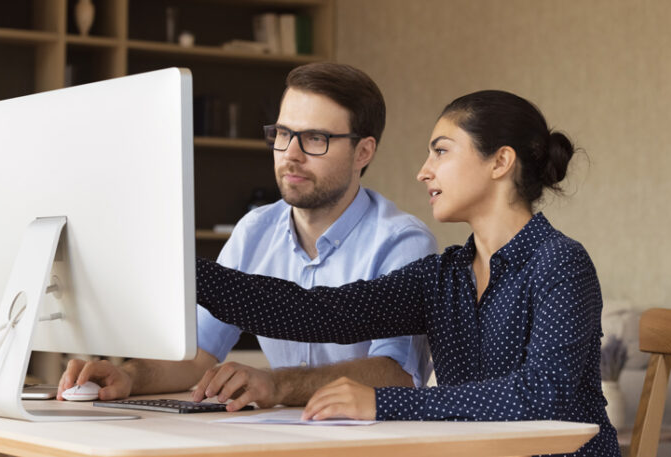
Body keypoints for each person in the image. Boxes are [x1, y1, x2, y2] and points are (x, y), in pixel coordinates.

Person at [195, 90, 621, 456]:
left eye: (441, 150)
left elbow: (542, 395)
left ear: (500, 162)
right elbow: (320, 311)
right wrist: (186, 273)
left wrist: (382, 403)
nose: (424, 171)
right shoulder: (443, 276)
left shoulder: (560, 263)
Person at [57, 62, 437, 411]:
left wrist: (278, 385)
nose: (291, 154)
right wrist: (128, 376)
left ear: (363, 152)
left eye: (315, 139)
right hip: (281, 439)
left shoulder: (402, 243)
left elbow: (397, 375)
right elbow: (200, 351)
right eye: (283, 134)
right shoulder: (255, 230)